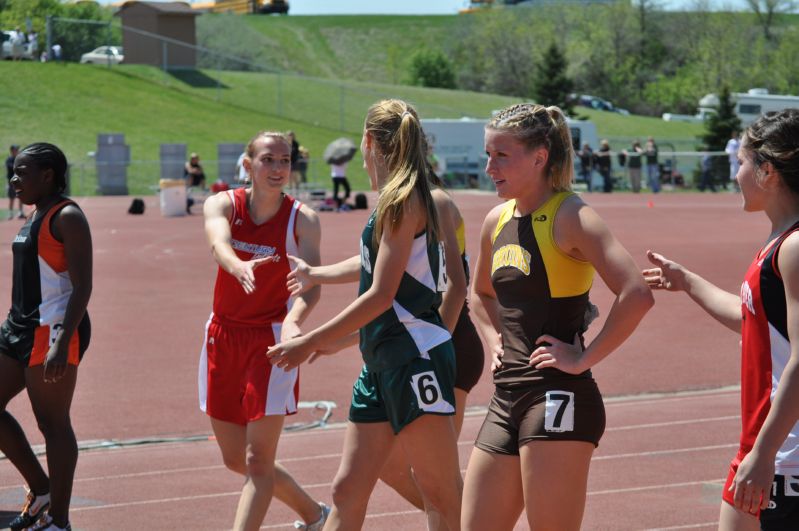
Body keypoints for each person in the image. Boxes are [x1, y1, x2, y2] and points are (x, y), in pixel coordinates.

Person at [267, 99, 464, 530]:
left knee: (441, 494)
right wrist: (315, 273)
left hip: (415, 362)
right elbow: (378, 265)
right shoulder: (391, 201)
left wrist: (311, 341)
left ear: (368, 141)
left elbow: (381, 293)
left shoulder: (404, 199)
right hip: (381, 364)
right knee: (347, 491)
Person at [462, 103, 653, 531]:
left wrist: (582, 359)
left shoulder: (571, 215)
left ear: (539, 157)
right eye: (488, 155)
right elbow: (480, 295)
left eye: (501, 156)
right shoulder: (496, 220)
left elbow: (636, 293)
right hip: (505, 395)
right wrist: (494, 342)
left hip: (557, 396)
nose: (490, 166)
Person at [643, 109, 799, 531]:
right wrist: (687, 281)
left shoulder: (794, 247)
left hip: (785, 457)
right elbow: (753, 322)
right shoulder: (778, 238)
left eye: (741, 163)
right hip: (764, 445)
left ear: (767, 171)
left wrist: (765, 455)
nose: (735, 175)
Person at [200, 131, 329, 531]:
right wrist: (235, 265)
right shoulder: (223, 203)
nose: (277, 169)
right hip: (222, 337)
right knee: (236, 460)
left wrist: (293, 321)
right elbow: (218, 241)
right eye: (268, 160)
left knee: (258, 461)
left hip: (272, 343)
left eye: (284, 160)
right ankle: (314, 514)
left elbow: (311, 286)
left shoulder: (302, 219)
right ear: (248, 163)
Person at [377, 139, 479, 528]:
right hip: (419, 346)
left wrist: (438, 348)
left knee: (435, 479)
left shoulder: (434, 203)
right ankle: (470, 519)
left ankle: (466, 519)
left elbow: (456, 284)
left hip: (446, 344)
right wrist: (318, 273)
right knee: (392, 465)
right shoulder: (402, 206)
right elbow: (384, 262)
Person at [0, 143, 93, 531]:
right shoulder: (34, 213)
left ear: (48, 175)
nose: (13, 180)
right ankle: (41, 491)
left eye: (22, 173)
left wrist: (61, 341)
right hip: (17, 328)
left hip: (52, 330)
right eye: (14, 172)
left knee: (52, 424)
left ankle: (59, 519)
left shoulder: (67, 215)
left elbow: (83, 286)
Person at [6, 144, 25, 219]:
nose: (17, 151)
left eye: (18, 149)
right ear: (12, 151)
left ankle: (20, 212)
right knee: (12, 198)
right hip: (12, 182)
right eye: (16, 150)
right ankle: (11, 213)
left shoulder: (20, 159)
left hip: (19, 181)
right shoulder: (9, 159)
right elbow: (13, 168)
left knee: (21, 196)